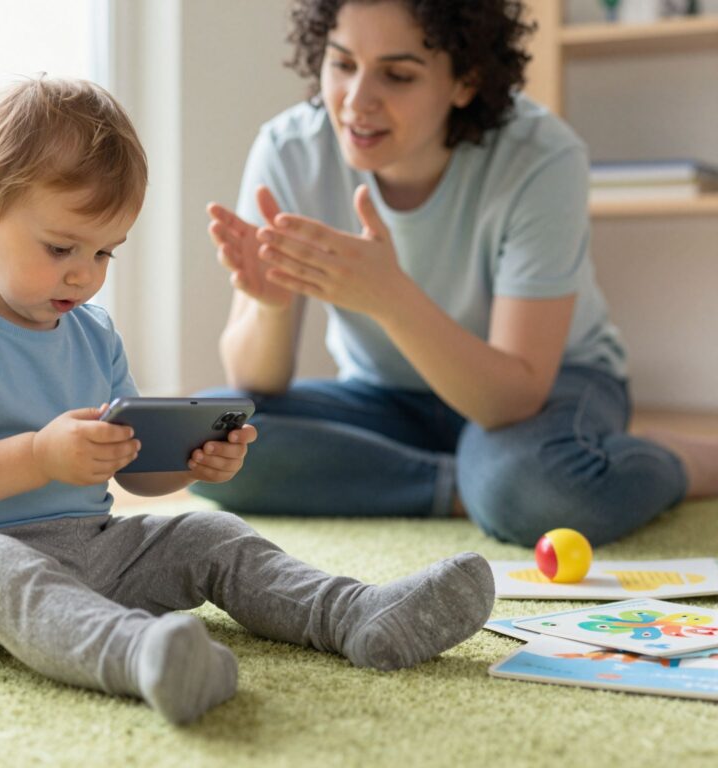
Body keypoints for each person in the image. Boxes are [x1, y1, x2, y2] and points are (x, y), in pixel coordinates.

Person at [0, 76, 496, 726]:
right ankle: (143, 656)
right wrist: (40, 456)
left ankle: (356, 616)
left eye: (104, 250)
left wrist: (193, 461)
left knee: (209, 531)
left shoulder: (93, 332)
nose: (84, 273)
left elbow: (135, 470)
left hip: (92, 547)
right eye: (60, 248)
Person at [191, 0, 718, 546]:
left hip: (549, 389)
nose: (357, 100)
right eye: (342, 63)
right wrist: (273, 306)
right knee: (211, 441)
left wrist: (392, 298)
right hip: (388, 395)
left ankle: (681, 461)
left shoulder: (541, 156)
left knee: (537, 492)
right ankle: (472, 484)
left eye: (397, 75)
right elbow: (255, 382)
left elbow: (512, 399)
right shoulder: (289, 150)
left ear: (466, 81)